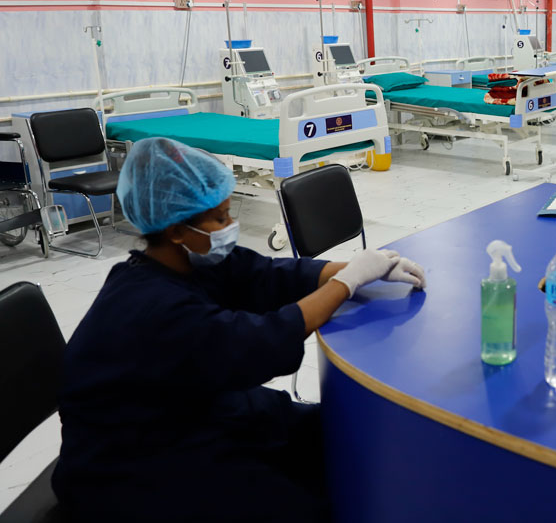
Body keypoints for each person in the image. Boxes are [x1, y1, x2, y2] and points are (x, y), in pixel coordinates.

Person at [52, 138, 425, 523]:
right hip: (129, 465)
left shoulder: (188, 261)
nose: (230, 226)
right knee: (303, 508)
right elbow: (259, 343)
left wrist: (356, 269)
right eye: (220, 218)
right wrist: (346, 283)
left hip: (183, 410)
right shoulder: (154, 307)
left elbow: (266, 274)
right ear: (176, 230)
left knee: (328, 431)